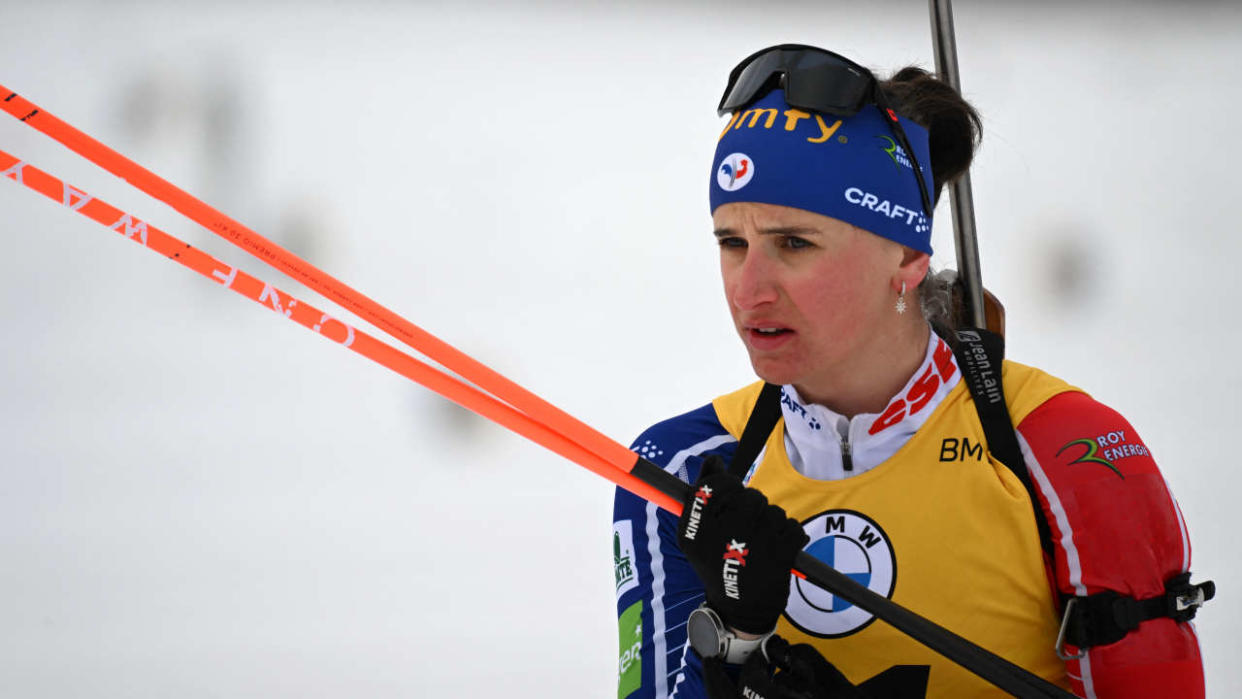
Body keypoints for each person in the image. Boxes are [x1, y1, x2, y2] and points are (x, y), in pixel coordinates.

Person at [612, 45, 1208, 698]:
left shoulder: (1066, 448)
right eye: (733, 243)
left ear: (906, 256)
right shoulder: (683, 464)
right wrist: (736, 641)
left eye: (794, 243)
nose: (749, 289)